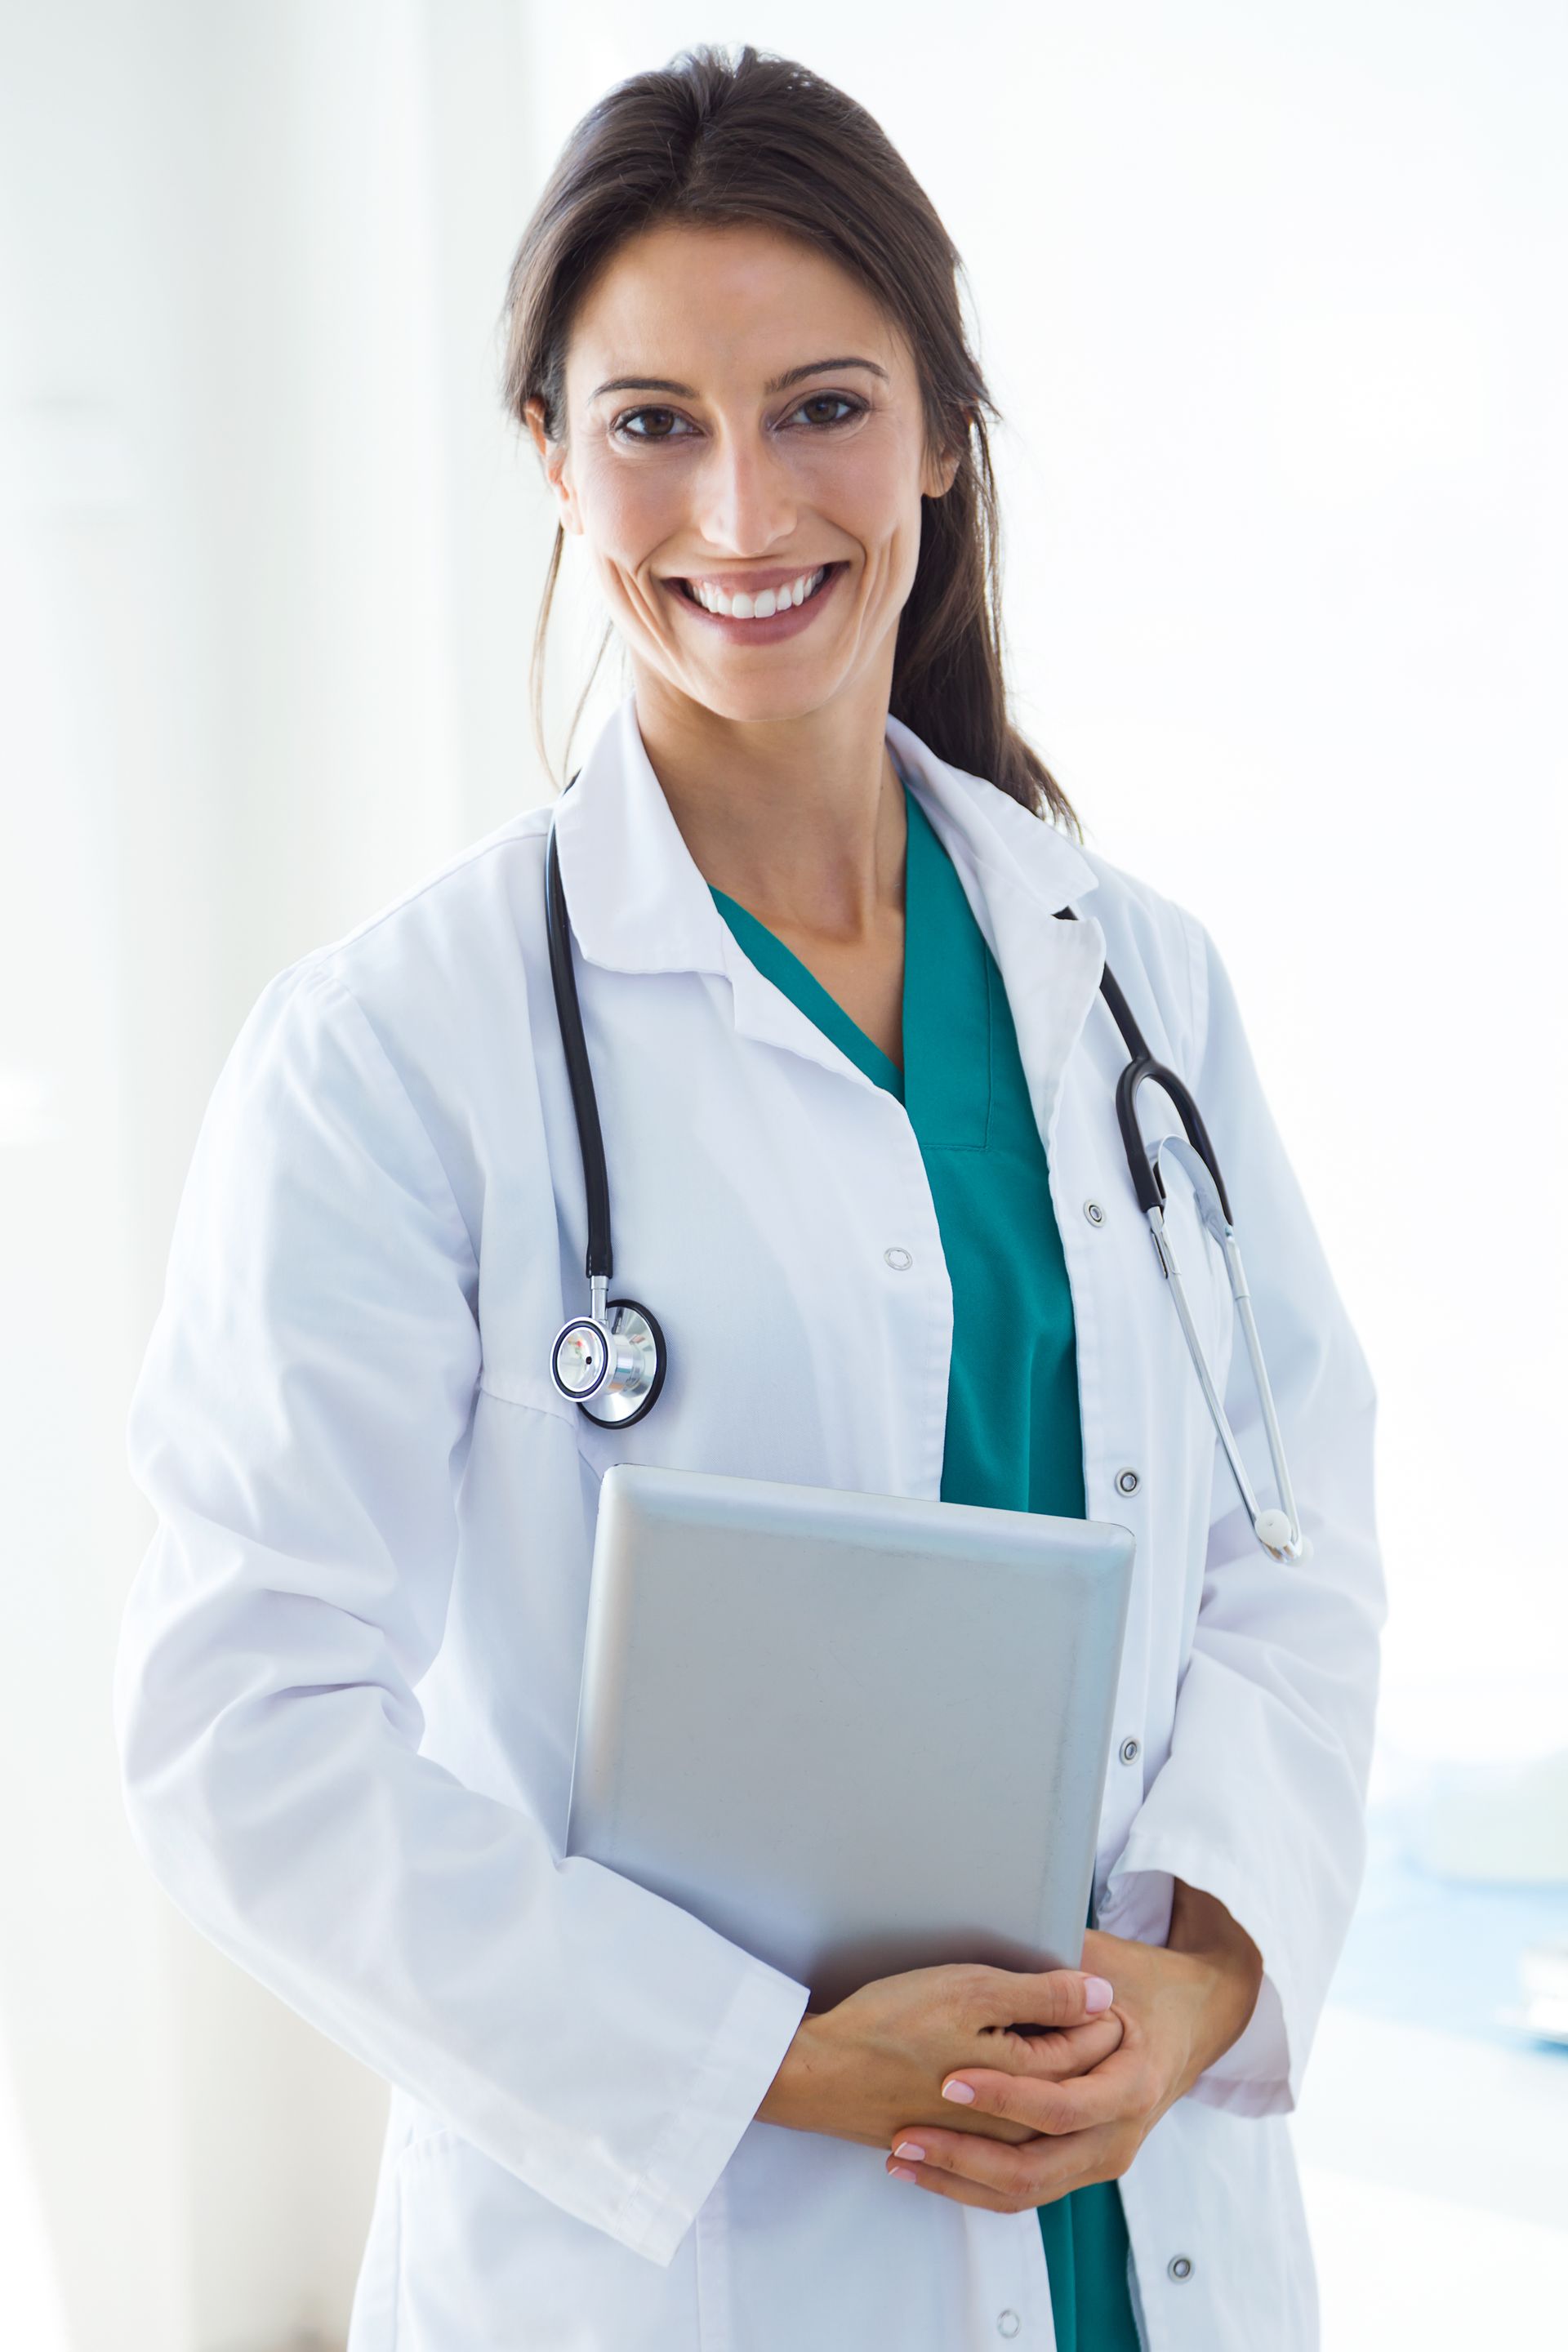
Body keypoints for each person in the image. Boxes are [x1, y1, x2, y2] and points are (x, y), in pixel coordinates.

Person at [114, 42, 1383, 2352]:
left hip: (1141, 2223)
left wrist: (1198, 1993)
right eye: (652, 426)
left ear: (940, 430)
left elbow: (1296, 1562)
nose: (742, 509)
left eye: (821, 407)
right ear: (547, 458)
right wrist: (764, 2071)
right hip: (681, 2255)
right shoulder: (400, 1049)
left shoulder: (1138, 990)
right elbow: (246, 1725)